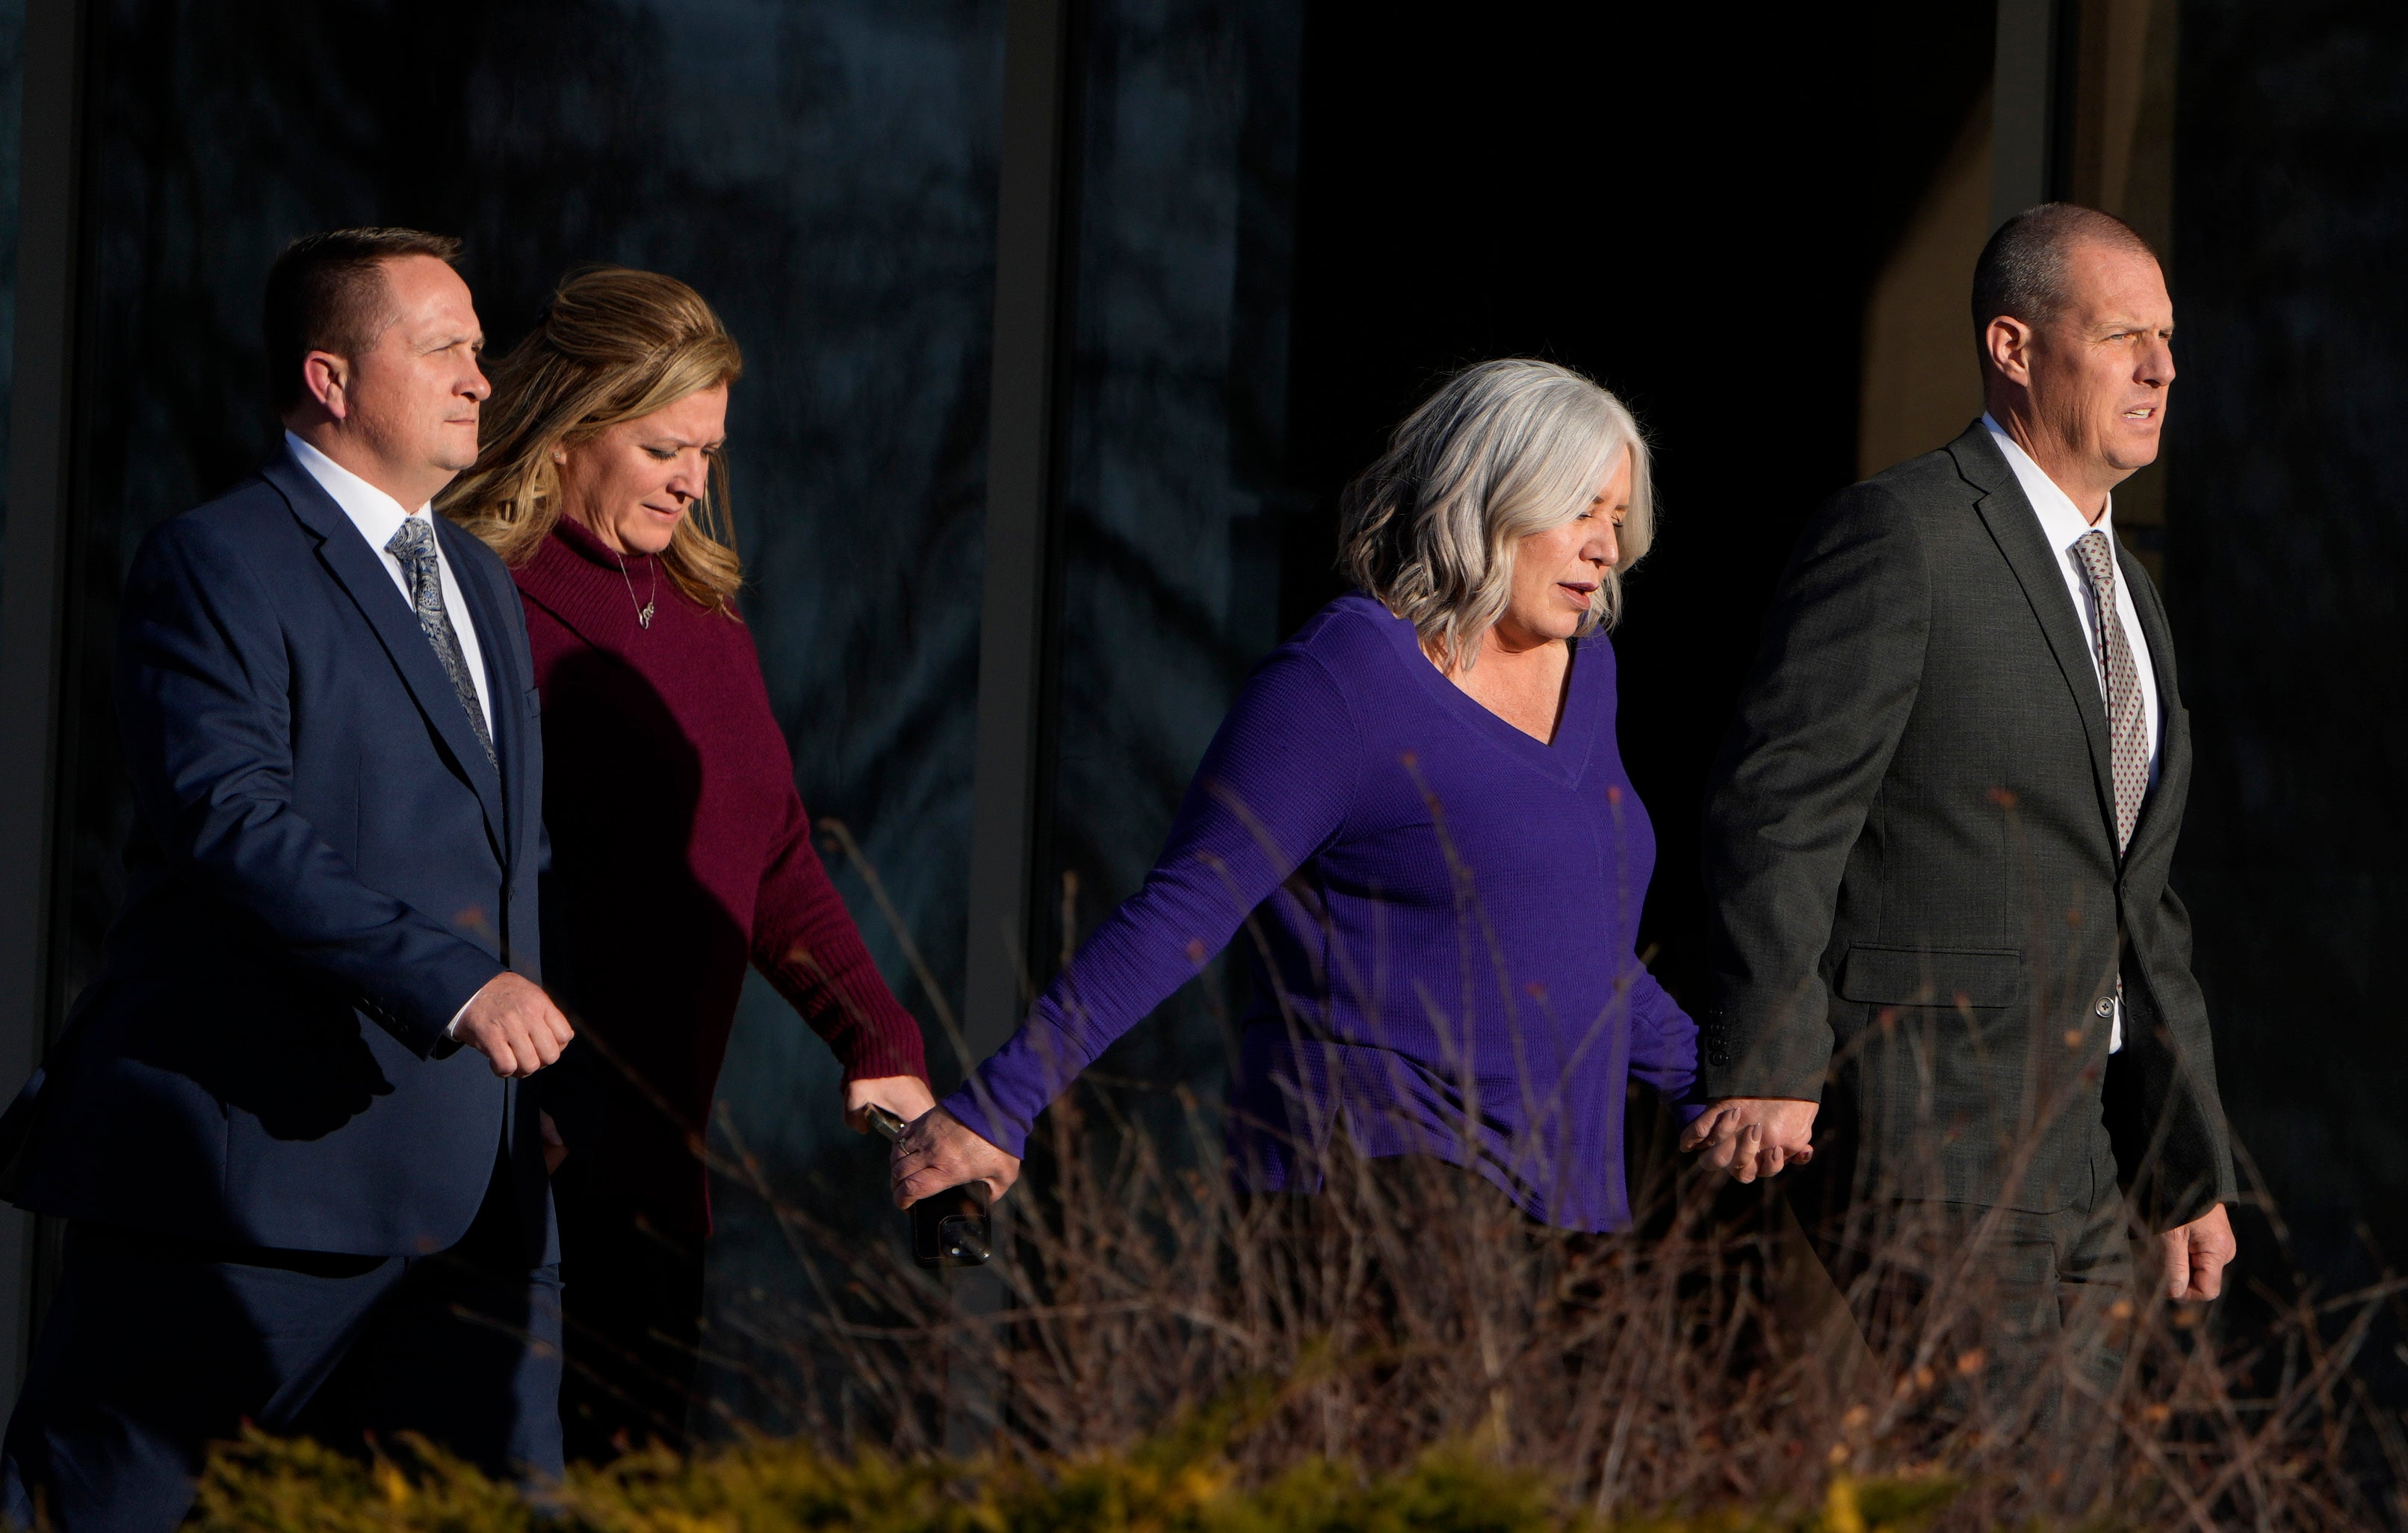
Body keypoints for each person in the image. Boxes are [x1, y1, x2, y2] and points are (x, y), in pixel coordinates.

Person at [0, 229, 572, 1528]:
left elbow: (502, 853)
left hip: (476, 1192)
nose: (481, 377)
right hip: (252, 1183)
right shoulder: (215, 562)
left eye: (479, 349)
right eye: (442, 349)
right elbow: (233, 824)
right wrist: (458, 987)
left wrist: (531, 1074)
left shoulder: (480, 583)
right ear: (329, 376)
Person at [891, 359, 1699, 1238]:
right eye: (1581, 509)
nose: (1606, 547)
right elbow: (1187, 906)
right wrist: (1000, 1103)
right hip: (1381, 1178)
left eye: (1617, 518)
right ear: (1494, 494)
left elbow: (1571, 948)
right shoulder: (1346, 678)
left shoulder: (1588, 676)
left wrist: (1722, 1080)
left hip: (1564, 1199)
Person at [1688, 204, 2238, 1411]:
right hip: (1933, 1125)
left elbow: (2137, 896)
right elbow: (1778, 808)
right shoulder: (1901, 536)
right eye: (2121, 336)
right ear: (2011, 344)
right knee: (2008, 1470)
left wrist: (2181, 1159)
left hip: (2091, 1144)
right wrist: (1771, 1052)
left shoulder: (2131, 597)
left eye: (2166, 338)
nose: (2161, 368)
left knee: (2061, 1486)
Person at [439, 266, 932, 1461]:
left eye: (709, 451)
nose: (693, 480)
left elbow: (769, 855)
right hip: (509, 1169)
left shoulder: (702, 619)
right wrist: (526, 1094)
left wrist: (877, 1040)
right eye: (665, 446)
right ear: (567, 432)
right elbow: (428, 868)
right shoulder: (473, 598)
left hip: (659, 1183)